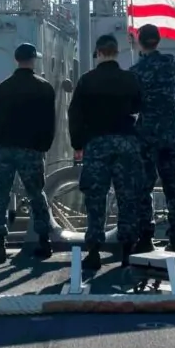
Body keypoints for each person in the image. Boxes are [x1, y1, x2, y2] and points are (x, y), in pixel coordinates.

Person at [68, 33, 145, 271]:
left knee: (95, 197)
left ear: (99, 53)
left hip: (97, 143)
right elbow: (139, 106)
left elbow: (75, 114)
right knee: (127, 197)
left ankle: (93, 252)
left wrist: (78, 144)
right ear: (116, 53)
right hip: (126, 141)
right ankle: (127, 251)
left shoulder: (87, 81)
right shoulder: (130, 79)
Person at [0, 43, 55, 264]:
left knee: (0, 195)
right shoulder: (44, 88)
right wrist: (43, 146)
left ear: (16, 59)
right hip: (31, 149)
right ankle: (44, 241)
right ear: (33, 60)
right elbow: (49, 123)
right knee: (36, 194)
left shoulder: (3, 87)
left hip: (4, 148)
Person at [130, 24, 175, 253]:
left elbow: (134, 103)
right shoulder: (170, 62)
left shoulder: (136, 71)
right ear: (158, 40)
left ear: (140, 41)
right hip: (170, 133)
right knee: (173, 188)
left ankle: (146, 236)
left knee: (145, 187)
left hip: (147, 135)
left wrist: (137, 51)